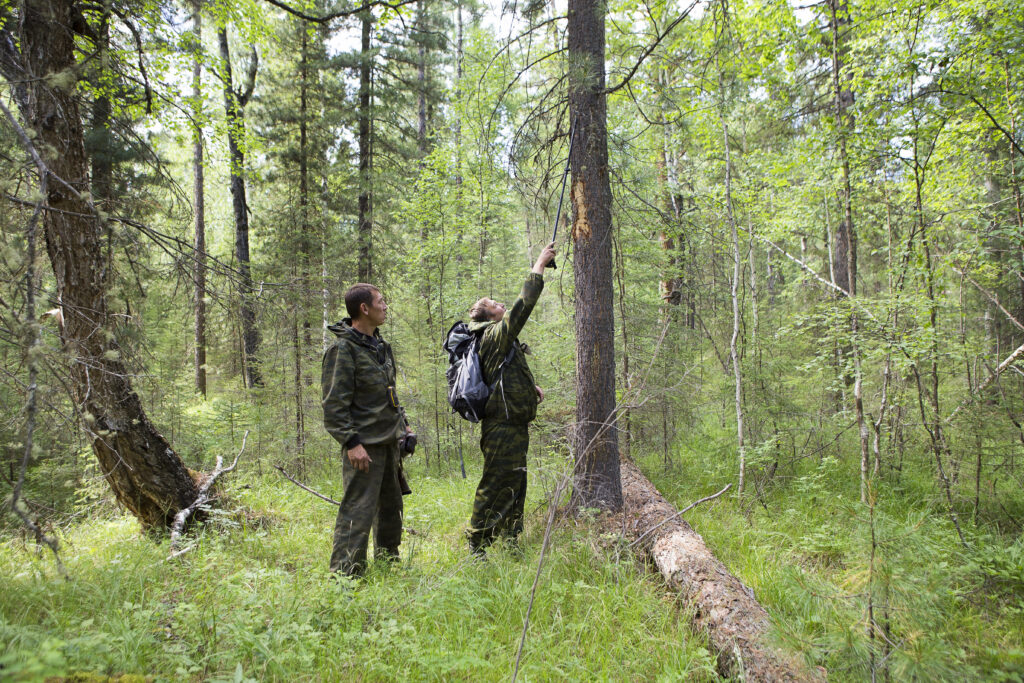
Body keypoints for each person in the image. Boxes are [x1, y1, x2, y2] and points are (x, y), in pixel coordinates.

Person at [465, 242, 556, 555]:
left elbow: (503, 376)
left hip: (515, 423)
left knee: (516, 483)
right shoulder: (491, 334)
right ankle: (477, 544)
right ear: (488, 316)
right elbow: (522, 307)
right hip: (500, 427)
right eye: (494, 304)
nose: (500, 304)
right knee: (495, 484)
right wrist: (539, 266)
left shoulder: (502, 340)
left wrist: (530, 390)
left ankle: (510, 540)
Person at [322, 283, 414, 577]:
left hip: (389, 442)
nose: (385, 306)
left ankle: (388, 564)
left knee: (391, 509)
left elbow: (389, 392)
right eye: (381, 301)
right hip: (364, 446)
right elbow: (334, 405)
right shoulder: (342, 349)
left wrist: (404, 423)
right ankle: (345, 577)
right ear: (364, 308)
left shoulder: (380, 346)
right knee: (358, 512)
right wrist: (352, 443)